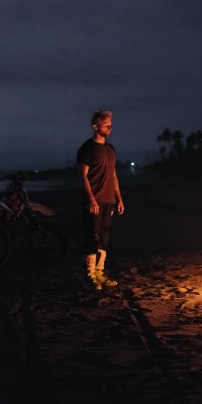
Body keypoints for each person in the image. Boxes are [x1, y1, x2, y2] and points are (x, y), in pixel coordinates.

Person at [77, 110, 125, 290]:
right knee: (92, 236)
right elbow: (83, 176)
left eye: (111, 125)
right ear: (95, 127)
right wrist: (91, 199)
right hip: (94, 201)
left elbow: (113, 176)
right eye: (106, 125)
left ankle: (100, 272)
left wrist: (119, 198)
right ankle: (90, 276)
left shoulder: (110, 150)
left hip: (109, 200)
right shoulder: (87, 149)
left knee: (104, 237)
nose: (110, 128)